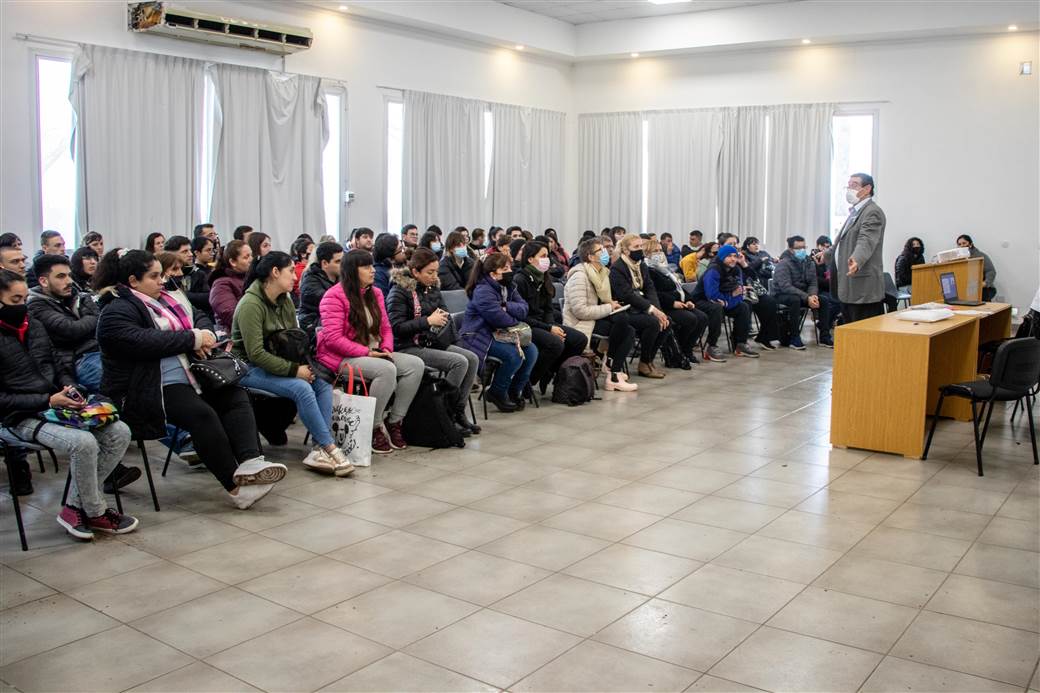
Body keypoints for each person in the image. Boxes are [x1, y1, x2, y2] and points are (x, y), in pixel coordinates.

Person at [95, 249, 286, 509]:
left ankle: (252, 463)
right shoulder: (116, 310)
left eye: (161, 275)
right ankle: (236, 489)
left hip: (191, 374)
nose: (162, 281)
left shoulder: (168, 298)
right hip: (150, 387)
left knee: (236, 395)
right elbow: (144, 341)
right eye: (154, 276)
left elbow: (200, 315)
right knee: (202, 415)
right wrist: (192, 338)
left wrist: (204, 333)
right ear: (132, 281)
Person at [0, 268, 138, 540]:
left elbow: (56, 364)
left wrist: (68, 387)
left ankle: (74, 507)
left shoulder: (33, 325)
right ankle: (95, 511)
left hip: (54, 406)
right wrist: (47, 399)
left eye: (24, 300)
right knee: (83, 443)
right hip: (17, 417)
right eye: (15, 301)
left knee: (119, 431)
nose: (22, 307)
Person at [228, 251, 352, 475]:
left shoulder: (284, 300)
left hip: (279, 362)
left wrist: (305, 367)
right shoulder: (250, 305)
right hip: (247, 368)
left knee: (321, 383)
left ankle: (318, 448)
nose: (296, 277)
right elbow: (255, 354)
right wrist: (295, 371)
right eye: (290, 271)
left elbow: (292, 339)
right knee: (302, 387)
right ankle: (328, 446)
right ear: (275, 273)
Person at [317, 250, 424, 454]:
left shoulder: (375, 293)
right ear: (351, 271)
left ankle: (394, 422)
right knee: (386, 370)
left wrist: (386, 348)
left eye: (372, 266)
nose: (372, 271)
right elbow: (333, 339)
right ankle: (372, 427)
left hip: (374, 352)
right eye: (366, 267)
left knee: (414, 365)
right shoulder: (333, 296)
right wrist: (367, 352)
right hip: (342, 357)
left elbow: (386, 328)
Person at [386, 248, 481, 436]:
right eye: (430, 272)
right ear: (415, 272)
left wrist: (440, 320)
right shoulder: (400, 291)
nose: (434, 276)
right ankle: (444, 413)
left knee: (472, 358)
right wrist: (427, 321)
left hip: (430, 341)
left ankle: (457, 410)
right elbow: (396, 327)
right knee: (458, 362)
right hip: (407, 346)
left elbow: (443, 312)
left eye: (436, 271)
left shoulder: (433, 288)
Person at [460, 253, 539, 411]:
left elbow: (524, 308)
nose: (510, 271)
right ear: (493, 274)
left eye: (510, 267)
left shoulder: (508, 286)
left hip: (502, 333)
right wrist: (515, 320)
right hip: (479, 335)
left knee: (531, 351)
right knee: (514, 355)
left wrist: (507, 307)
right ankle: (497, 392)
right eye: (505, 268)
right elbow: (498, 319)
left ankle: (514, 390)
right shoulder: (483, 290)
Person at [563, 238, 637, 392]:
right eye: (601, 250)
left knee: (627, 326)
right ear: (590, 257)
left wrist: (613, 305)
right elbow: (580, 311)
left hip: (595, 318)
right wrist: (609, 307)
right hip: (581, 324)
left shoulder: (603, 273)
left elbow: (604, 301)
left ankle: (612, 369)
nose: (606, 252)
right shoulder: (579, 276)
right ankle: (612, 371)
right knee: (625, 328)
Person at [513, 241, 588, 394]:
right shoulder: (520, 280)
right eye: (543, 256)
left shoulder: (544, 277)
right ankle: (528, 382)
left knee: (579, 339)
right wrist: (549, 329)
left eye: (547, 255)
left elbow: (548, 309)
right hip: (525, 325)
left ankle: (552, 372)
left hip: (543, 323)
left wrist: (552, 326)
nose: (547, 259)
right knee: (555, 344)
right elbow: (522, 316)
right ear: (530, 259)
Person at [827, 173, 887, 323]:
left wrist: (857, 259)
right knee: (851, 334)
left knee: (865, 338)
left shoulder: (872, 212)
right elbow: (842, 242)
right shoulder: (854, 212)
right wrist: (827, 254)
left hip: (863, 289)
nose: (849, 189)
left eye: (854, 185)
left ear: (867, 189)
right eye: (848, 185)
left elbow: (866, 240)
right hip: (847, 285)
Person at [609, 235, 669, 378]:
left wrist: (657, 309)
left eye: (641, 246)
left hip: (640, 307)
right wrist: (652, 310)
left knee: (666, 322)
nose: (640, 250)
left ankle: (648, 359)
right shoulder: (617, 268)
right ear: (625, 250)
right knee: (653, 323)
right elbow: (627, 295)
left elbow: (649, 287)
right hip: (624, 310)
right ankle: (644, 362)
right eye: (636, 247)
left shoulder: (640, 264)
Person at [690, 244, 759, 359]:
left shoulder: (736, 269)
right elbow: (712, 295)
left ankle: (740, 343)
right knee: (716, 307)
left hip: (724, 301)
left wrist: (728, 301)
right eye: (729, 256)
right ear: (722, 257)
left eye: (735, 256)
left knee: (744, 306)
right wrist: (730, 297)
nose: (733, 259)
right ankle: (711, 346)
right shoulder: (713, 270)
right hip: (700, 301)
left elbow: (739, 292)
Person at [645, 240, 707, 365]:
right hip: (663, 306)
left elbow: (679, 287)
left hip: (679, 302)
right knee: (690, 319)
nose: (659, 253)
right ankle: (679, 351)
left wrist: (689, 300)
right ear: (646, 254)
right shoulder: (648, 270)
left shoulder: (665, 269)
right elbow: (654, 293)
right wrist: (673, 303)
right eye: (655, 251)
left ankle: (686, 350)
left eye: (660, 250)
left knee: (703, 317)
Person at [772, 235, 839, 349]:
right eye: (798, 248)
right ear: (791, 249)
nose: (802, 250)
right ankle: (795, 338)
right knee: (795, 300)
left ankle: (824, 336)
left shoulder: (809, 262)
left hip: (803, 295)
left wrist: (813, 295)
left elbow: (813, 282)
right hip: (782, 295)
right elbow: (786, 286)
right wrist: (807, 297)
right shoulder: (783, 263)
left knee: (823, 299)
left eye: (804, 247)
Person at [298, 241, 343, 340]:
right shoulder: (310, 282)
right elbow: (333, 303)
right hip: (313, 329)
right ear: (325, 263)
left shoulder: (340, 278)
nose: (343, 264)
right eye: (338, 261)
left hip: (330, 327)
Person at [208, 240, 252, 334]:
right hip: (233, 338)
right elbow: (231, 315)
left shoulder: (248, 278)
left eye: (251, 255)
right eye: (246, 257)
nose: (251, 259)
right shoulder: (221, 284)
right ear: (233, 262)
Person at [164, 235, 210, 314]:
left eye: (190, 250)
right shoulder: (163, 274)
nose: (191, 254)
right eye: (185, 251)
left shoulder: (198, 273)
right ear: (171, 254)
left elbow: (208, 298)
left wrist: (181, 294)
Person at [956, 234, 997, 301]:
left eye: (964, 243)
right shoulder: (959, 258)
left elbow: (991, 271)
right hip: (968, 288)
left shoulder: (980, 255)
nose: (962, 246)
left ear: (970, 244)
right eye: (959, 244)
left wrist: (984, 283)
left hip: (984, 288)